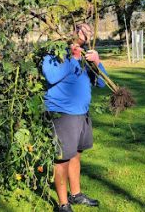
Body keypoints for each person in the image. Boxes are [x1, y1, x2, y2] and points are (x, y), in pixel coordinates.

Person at [42, 23, 108, 212]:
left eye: (91, 30)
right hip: (63, 114)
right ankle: (63, 205)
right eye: (85, 29)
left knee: (76, 155)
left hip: (82, 114)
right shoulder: (55, 51)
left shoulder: (85, 55)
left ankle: (76, 194)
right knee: (62, 159)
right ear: (73, 30)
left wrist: (97, 61)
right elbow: (51, 76)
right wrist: (73, 58)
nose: (89, 32)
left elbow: (101, 83)